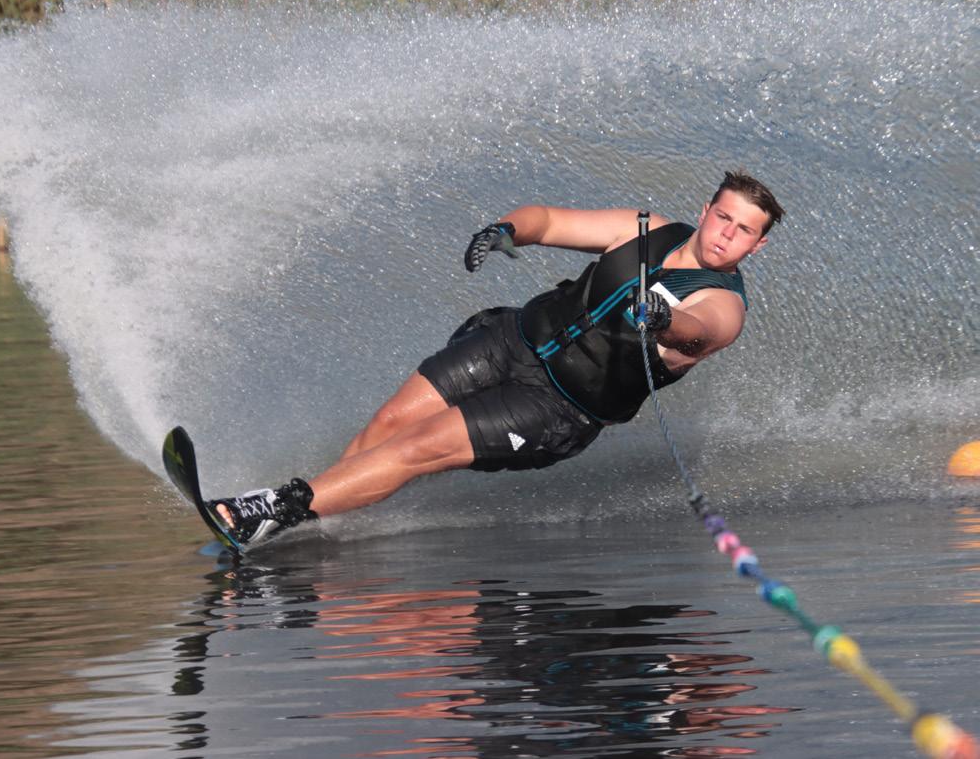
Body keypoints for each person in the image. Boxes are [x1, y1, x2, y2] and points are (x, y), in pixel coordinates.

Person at [209, 170, 784, 549]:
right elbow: (549, 221)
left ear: (757, 246)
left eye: (744, 232)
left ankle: (277, 508)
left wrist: (663, 319)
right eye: (723, 217)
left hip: (556, 407)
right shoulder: (646, 229)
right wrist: (506, 231)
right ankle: (306, 520)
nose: (726, 235)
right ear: (705, 209)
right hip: (512, 339)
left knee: (417, 446)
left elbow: (699, 331)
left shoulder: (724, 304)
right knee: (390, 423)